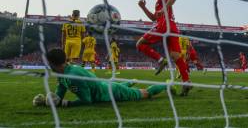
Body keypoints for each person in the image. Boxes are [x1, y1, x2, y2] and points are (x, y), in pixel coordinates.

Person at [34, 48, 176, 107]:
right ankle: (130, 83)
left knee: (145, 93)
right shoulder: (63, 73)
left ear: (54, 64)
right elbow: (60, 92)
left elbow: (87, 101)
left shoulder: (73, 76)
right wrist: (50, 100)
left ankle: (167, 85)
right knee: (123, 86)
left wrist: (65, 104)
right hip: (104, 86)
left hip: (111, 92)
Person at [136, 0, 192, 96]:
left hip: (163, 26)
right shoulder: (158, 3)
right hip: (172, 27)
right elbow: (153, 18)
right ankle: (186, 82)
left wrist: (163, 9)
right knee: (175, 56)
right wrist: (143, 7)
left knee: (140, 44)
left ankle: (161, 60)